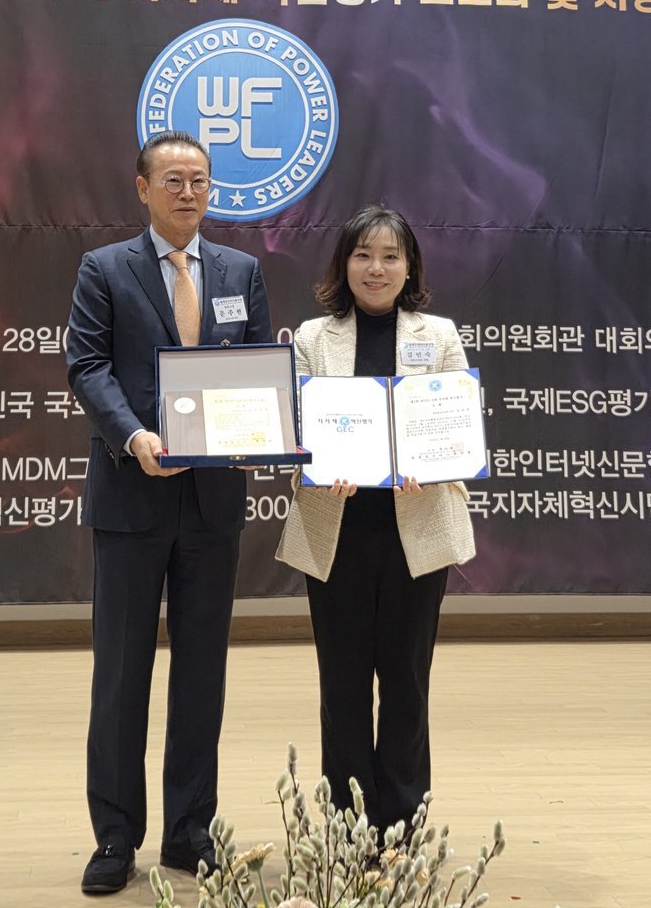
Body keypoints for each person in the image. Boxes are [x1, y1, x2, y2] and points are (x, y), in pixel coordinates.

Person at [67, 130, 272, 896]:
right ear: (143, 188)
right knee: (122, 674)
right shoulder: (105, 269)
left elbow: (256, 372)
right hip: (132, 496)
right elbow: (87, 365)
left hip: (212, 505)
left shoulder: (241, 271)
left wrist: (260, 433)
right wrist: (133, 436)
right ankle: (115, 836)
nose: (188, 192)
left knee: (202, 675)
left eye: (200, 180)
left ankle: (190, 833)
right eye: (174, 179)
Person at [276, 205, 475, 840]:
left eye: (391, 256)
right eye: (363, 255)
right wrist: (317, 462)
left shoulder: (438, 335)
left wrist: (433, 463)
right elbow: (294, 431)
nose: (376, 268)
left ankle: (402, 826)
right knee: (342, 685)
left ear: (410, 266)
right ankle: (345, 826)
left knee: (407, 682)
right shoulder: (312, 338)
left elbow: (456, 427)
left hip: (417, 531)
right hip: (336, 529)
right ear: (344, 264)